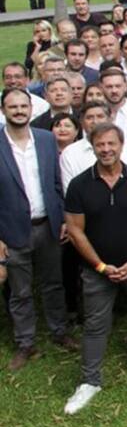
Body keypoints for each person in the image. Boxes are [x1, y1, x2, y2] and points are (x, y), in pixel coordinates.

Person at [62, 124, 127, 414]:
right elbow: (76, 232)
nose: (106, 149)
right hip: (96, 270)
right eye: (100, 145)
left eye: (111, 144)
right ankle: (90, 381)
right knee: (95, 324)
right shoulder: (79, 185)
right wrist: (101, 266)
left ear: (122, 144)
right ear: (93, 146)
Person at [0, 88, 74, 370]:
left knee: (53, 283)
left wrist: (64, 218)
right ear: (4, 110)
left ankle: (59, 331)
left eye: (23, 106)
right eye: (13, 106)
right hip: (12, 230)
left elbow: (57, 183)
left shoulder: (45, 140)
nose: (19, 111)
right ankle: (25, 342)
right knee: (20, 291)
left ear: (31, 108)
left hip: (48, 226)